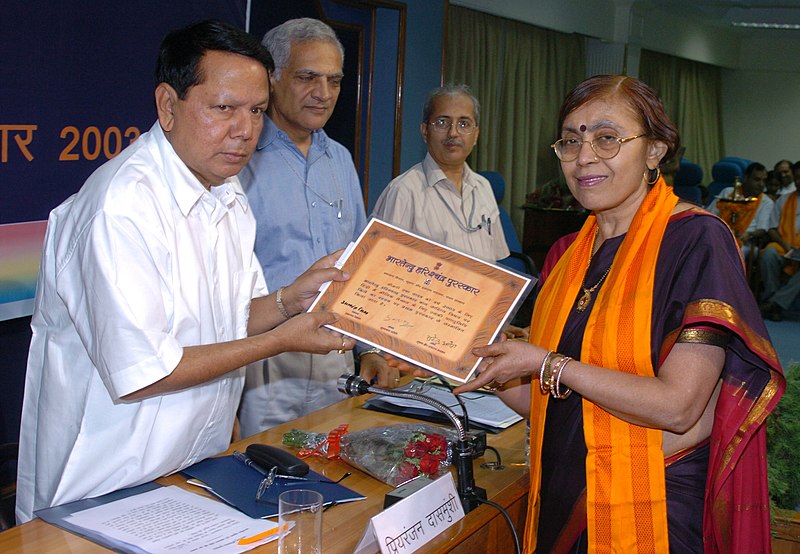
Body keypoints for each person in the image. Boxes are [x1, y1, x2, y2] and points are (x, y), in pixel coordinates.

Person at [15, 20, 355, 523]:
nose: (245, 129)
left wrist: (290, 300)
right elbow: (146, 371)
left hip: (189, 473)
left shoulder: (227, 189)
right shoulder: (121, 207)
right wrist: (283, 339)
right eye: (224, 108)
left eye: (257, 111)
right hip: (101, 485)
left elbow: (228, 320)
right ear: (168, 106)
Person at [455, 75, 784, 553]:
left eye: (607, 138)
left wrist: (548, 362)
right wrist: (463, 355)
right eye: (571, 141)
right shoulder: (567, 254)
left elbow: (679, 406)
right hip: (564, 494)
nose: (585, 156)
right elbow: (549, 401)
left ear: (656, 149)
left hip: (654, 506)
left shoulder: (695, 240)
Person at [237, 18, 395, 438]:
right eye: (308, 77)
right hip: (265, 357)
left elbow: (362, 263)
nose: (323, 94)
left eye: (334, 81)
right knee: (261, 477)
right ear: (272, 77)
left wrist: (370, 349)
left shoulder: (339, 159)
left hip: (333, 350)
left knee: (332, 471)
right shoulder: (239, 158)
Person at [372, 84, 509, 263]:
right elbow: (381, 265)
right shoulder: (404, 192)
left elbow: (496, 261)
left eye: (464, 124)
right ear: (424, 131)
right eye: (442, 122)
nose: (453, 132)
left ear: (476, 135)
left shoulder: (483, 187)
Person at [707, 162, 772, 260]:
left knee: (736, 250)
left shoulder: (766, 202)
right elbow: (710, 215)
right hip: (720, 236)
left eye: (764, 181)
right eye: (757, 180)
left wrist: (748, 235)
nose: (761, 184)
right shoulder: (728, 192)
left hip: (746, 243)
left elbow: (762, 229)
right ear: (746, 178)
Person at [758, 182, 800, 321]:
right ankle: (774, 303)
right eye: (798, 177)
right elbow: (772, 228)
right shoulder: (784, 199)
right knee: (768, 254)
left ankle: (773, 303)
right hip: (783, 246)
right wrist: (787, 246)